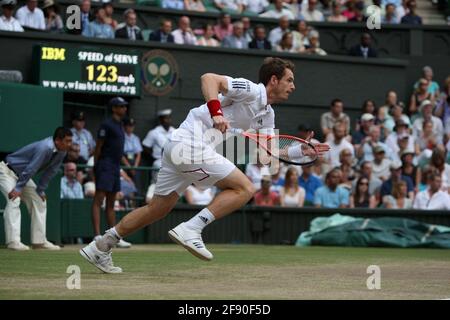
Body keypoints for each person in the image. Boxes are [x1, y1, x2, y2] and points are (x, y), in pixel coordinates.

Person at [80, 57, 330, 273]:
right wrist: (217, 113)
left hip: (180, 149)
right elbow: (209, 78)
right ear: (274, 80)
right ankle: (192, 228)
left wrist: (302, 150)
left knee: (157, 208)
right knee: (245, 188)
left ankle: (100, 246)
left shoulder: (267, 114)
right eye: (289, 80)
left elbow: (269, 153)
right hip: (188, 143)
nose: (293, 86)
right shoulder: (251, 90)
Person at [0, 127, 73, 250]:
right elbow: (32, 168)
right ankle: (13, 242)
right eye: (67, 141)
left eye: (71, 141)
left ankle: (39, 242)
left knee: (39, 200)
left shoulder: (62, 151)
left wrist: (40, 189)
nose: (70, 144)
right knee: (14, 200)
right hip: (6, 171)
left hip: (22, 176)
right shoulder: (45, 147)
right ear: (58, 141)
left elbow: (51, 171)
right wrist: (18, 188)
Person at [91, 97, 131, 249]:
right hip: (105, 165)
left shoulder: (120, 125)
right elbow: (98, 147)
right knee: (98, 200)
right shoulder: (106, 124)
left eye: (124, 106)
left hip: (115, 167)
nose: (124, 109)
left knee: (111, 203)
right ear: (114, 108)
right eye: (121, 106)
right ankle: (96, 235)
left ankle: (113, 238)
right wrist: (96, 167)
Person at [142, 109, 175, 173]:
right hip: (159, 161)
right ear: (161, 120)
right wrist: (153, 156)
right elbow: (145, 146)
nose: (168, 120)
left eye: (169, 118)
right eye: (166, 118)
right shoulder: (154, 132)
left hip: (173, 161)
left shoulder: (175, 131)